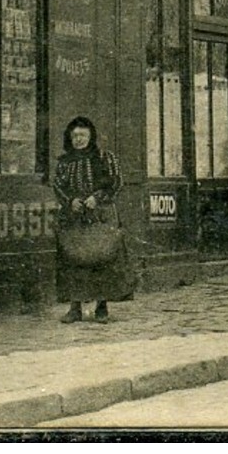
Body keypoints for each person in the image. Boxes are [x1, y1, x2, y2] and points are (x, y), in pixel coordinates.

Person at [52, 115, 139, 323]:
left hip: (101, 216)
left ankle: (102, 307)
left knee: (102, 258)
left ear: (91, 136)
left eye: (83, 135)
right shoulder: (64, 162)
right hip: (74, 217)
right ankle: (75, 308)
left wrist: (97, 198)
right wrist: (70, 200)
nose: (79, 139)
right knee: (73, 259)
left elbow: (117, 182)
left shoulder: (104, 157)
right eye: (75, 136)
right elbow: (57, 185)